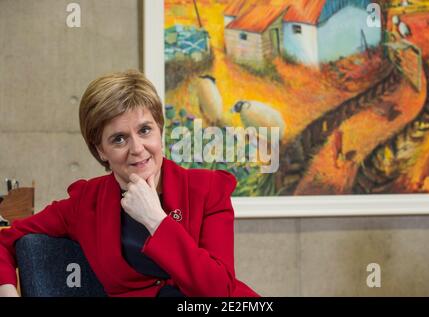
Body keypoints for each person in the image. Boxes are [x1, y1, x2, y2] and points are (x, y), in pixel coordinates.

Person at [0, 70, 259, 297]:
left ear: (160, 129)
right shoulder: (85, 203)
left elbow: (219, 293)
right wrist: (8, 290)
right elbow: (5, 240)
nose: (137, 148)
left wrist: (156, 220)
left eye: (145, 130)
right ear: (100, 150)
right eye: (119, 139)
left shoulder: (208, 190)